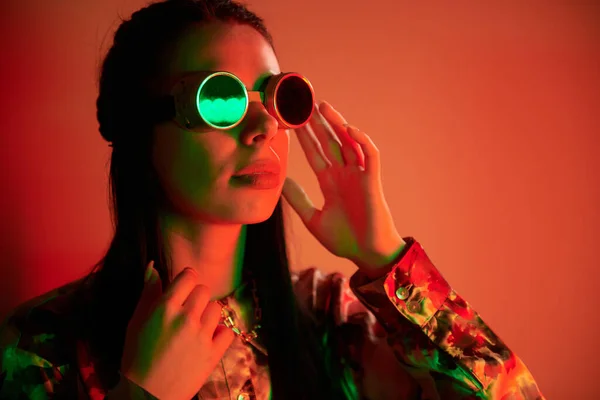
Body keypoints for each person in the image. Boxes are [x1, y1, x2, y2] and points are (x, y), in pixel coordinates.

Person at [0, 0, 545, 399]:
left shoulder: (332, 325)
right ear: (141, 129)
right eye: (220, 98)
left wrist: (385, 258)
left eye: (278, 96)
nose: (263, 125)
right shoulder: (40, 346)